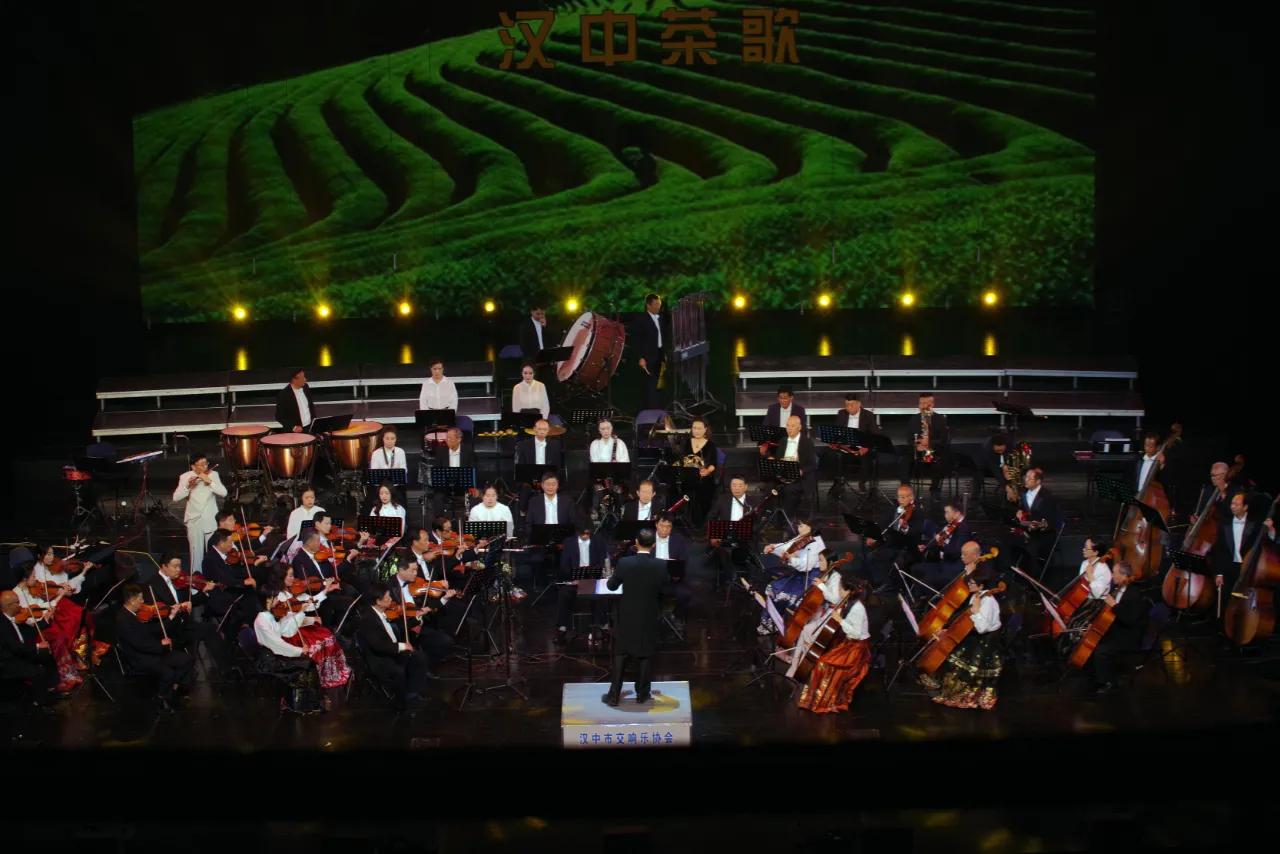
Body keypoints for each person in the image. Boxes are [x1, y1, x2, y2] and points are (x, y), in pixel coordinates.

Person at [781, 561, 871, 715]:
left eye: (840, 588)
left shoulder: (857, 608)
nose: (838, 591)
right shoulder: (847, 601)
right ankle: (818, 697)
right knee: (820, 656)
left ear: (848, 591)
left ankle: (823, 701)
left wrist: (840, 620)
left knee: (822, 663)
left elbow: (855, 634)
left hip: (856, 648)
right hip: (848, 642)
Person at [918, 563, 1003, 710]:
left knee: (957, 664)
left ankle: (966, 696)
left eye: (972, 583)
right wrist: (947, 630)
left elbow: (982, 628)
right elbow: (964, 621)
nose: (968, 585)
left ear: (981, 585)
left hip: (984, 642)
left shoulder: (988, 601)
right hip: (973, 636)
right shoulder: (975, 596)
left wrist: (976, 611)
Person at [258, 564, 351, 693]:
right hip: (290, 634)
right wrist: (307, 616)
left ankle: (332, 675)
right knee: (322, 642)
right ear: (281, 577)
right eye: (290, 576)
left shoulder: (291, 591)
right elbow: (287, 625)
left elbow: (310, 603)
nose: (294, 578)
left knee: (328, 635)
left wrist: (325, 590)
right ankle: (321, 680)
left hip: (297, 626)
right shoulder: (278, 598)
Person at [603, 528, 666, 706]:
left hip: (627, 616)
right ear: (653, 545)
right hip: (649, 615)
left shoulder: (625, 563)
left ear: (636, 542)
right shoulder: (660, 565)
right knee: (646, 654)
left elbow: (612, 586)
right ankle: (642, 695)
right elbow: (664, 588)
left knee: (621, 654)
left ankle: (614, 696)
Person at [116, 583, 196, 713]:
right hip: (140, 657)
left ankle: (172, 689)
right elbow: (138, 644)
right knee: (168, 673)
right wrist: (161, 645)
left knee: (187, 660)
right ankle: (161, 697)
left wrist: (171, 616)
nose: (143, 601)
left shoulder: (134, 614)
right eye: (140, 599)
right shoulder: (123, 619)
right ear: (132, 600)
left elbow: (152, 630)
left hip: (151, 651)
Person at [147, 552, 229, 671]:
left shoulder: (179, 581)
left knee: (211, 628)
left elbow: (191, 601)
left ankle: (225, 669)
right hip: (170, 630)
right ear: (164, 566)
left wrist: (205, 591)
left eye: (180, 566)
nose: (179, 570)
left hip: (184, 625)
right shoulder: (152, 584)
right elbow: (159, 611)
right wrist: (180, 606)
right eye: (175, 566)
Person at [359, 582, 432, 711]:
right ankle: (401, 703)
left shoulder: (384, 612)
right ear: (378, 601)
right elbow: (379, 645)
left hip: (392, 651)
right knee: (398, 670)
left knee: (419, 657)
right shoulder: (368, 619)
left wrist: (417, 617)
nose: (391, 599)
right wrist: (403, 646)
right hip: (380, 658)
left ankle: (412, 694)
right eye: (387, 597)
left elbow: (401, 626)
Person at [13, 563, 82, 693]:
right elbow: (27, 619)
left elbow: (42, 605)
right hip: (32, 631)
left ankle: (66, 672)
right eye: (33, 576)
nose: (36, 578)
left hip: (42, 623)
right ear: (24, 578)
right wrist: (44, 616)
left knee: (63, 632)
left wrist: (58, 598)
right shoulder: (16, 595)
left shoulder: (31, 589)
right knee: (58, 638)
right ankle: (58, 678)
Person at [757, 518, 825, 634]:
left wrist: (790, 559)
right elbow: (787, 547)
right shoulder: (802, 538)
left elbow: (805, 566)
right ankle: (772, 623)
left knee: (781, 594)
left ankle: (781, 625)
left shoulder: (815, 544)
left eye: (802, 526)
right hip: (799, 574)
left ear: (811, 528)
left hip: (808, 577)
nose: (799, 528)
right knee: (774, 589)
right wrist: (773, 548)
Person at [1091, 561, 1148, 694]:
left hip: (1129, 636)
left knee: (1101, 650)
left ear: (1124, 576)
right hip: (1118, 630)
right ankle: (1099, 676)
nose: (1112, 576)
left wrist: (1114, 606)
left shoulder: (1134, 593)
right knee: (1093, 641)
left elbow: (1130, 619)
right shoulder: (1117, 589)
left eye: (1114, 573)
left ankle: (1109, 682)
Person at [0, 589, 59, 705]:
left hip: (20, 653)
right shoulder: (2, 624)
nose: (21, 605)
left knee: (47, 656)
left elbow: (30, 632)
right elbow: (14, 647)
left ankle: (50, 689)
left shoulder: (14, 617)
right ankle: (39, 702)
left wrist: (45, 620)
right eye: (17, 602)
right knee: (39, 672)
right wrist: (38, 646)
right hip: (9, 661)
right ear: (8, 606)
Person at [172, 452, 227, 575]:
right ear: (193, 466)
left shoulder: (213, 474)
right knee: (196, 553)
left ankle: (214, 578)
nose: (205, 467)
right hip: (194, 520)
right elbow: (176, 497)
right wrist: (188, 487)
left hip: (210, 520)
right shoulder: (185, 477)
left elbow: (224, 493)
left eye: (206, 464)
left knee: (213, 552)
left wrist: (210, 482)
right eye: (201, 465)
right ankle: (196, 582)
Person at [864, 484, 926, 589]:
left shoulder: (918, 512)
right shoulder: (895, 509)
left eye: (904, 497)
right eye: (899, 497)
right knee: (871, 557)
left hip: (910, 548)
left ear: (911, 497)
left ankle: (890, 586)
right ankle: (879, 583)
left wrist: (906, 528)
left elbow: (917, 530)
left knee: (898, 561)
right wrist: (873, 535)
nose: (901, 500)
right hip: (893, 545)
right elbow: (883, 522)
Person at [555, 525, 609, 644]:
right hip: (574, 580)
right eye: (583, 534)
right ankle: (562, 628)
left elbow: (602, 562)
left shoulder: (599, 541)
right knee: (564, 594)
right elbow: (564, 566)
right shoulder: (569, 542)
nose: (585, 536)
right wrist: (573, 578)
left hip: (593, 580)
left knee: (602, 596)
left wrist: (592, 574)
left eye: (587, 534)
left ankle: (604, 627)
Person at [202, 529, 260, 639]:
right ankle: (248, 628)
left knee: (251, 591)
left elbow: (232, 573)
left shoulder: (219, 555)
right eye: (230, 542)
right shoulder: (210, 558)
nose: (232, 545)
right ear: (221, 543)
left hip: (227, 588)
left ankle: (250, 626)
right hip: (219, 594)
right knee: (249, 596)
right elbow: (223, 579)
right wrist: (244, 582)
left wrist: (250, 573)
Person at [524, 473, 579, 587]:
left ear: (558, 485)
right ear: (542, 485)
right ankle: (542, 586)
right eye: (547, 484)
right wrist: (535, 540)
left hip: (562, 542)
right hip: (540, 542)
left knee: (569, 556)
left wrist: (567, 542)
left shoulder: (567, 501)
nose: (550, 487)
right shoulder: (534, 501)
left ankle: (563, 585)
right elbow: (528, 524)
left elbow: (574, 524)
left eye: (553, 484)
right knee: (537, 559)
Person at [707, 476, 760, 588]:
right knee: (722, 550)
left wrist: (748, 530)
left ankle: (751, 582)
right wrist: (714, 535)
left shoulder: (753, 502)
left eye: (740, 485)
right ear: (730, 487)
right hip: (725, 535)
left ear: (745, 487)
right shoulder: (722, 499)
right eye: (734, 485)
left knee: (753, 552)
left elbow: (758, 524)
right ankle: (732, 577)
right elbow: (711, 517)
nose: (736, 488)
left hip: (745, 536)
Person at [1010, 467, 1062, 579]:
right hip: (1026, 531)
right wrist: (1019, 512)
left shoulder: (1048, 496)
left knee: (1031, 548)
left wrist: (1040, 527)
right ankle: (1014, 576)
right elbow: (1022, 509)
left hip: (1043, 535)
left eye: (1029, 478)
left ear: (1038, 481)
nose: (1026, 480)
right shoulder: (1023, 493)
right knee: (1007, 541)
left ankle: (1034, 580)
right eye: (1026, 477)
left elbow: (1051, 521)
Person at [914, 502, 976, 589]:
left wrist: (941, 544)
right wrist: (926, 546)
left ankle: (928, 596)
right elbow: (939, 539)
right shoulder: (951, 524)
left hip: (952, 566)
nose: (945, 515)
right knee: (915, 568)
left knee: (926, 579)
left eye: (947, 512)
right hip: (943, 562)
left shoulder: (964, 528)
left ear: (957, 513)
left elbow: (956, 552)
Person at [767, 414, 818, 518]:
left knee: (789, 490)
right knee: (768, 487)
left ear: (799, 427)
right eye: (787, 425)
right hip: (783, 475)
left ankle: (787, 519)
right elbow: (779, 459)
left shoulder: (807, 442)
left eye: (792, 426)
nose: (789, 428)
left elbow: (813, 464)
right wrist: (773, 460)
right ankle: (774, 518)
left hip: (800, 478)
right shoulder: (783, 441)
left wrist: (801, 471)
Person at [1214, 492, 1259, 603]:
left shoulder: (1255, 525)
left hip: (1247, 569)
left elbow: (1263, 544)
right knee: (1224, 601)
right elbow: (1219, 549)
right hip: (1228, 568)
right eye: (1232, 503)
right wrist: (1219, 573)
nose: (1233, 506)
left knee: (1241, 603)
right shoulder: (1225, 523)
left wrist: (1270, 530)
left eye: (1237, 504)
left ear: (1245, 507)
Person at [903, 392, 949, 497]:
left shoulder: (940, 419)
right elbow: (909, 439)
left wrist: (929, 443)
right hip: (918, 451)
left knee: (938, 463)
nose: (923, 406)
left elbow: (943, 440)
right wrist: (917, 446)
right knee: (903, 461)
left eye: (926, 403)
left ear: (932, 404)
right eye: (921, 403)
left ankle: (934, 490)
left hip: (933, 451)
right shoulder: (914, 419)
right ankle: (905, 490)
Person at [631, 293, 667, 411]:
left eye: (659, 304)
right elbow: (636, 340)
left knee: (660, 385)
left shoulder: (661, 319)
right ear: (648, 305)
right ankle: (650, 412)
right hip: (648, 357)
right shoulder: (641, 319)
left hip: (660, 355)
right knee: (650, 387)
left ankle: (659, 409)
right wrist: (640, 357)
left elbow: (663, 337)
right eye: (656, 304)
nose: (658, 307)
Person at [680, 417, 718, 524]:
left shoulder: (711, 445)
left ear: (705, 429)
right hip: (687, 478)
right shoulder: (686, 442)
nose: (696, 431)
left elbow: (713, 464)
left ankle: (702, 525)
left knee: (703, 502)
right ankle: (687, 524)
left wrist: (708, 471)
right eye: (694, 428)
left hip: (704, 479)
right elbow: (681, 460)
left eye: (699, 428)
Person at [833, 394, 875, 492]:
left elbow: (875, 434)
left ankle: (862, 482)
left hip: (861, 447)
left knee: (867, 459)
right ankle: (839, 482)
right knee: (831, 455)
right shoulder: (841, 413)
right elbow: (836, 431)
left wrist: (866, 447)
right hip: (845, 447)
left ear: (859, 404)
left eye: (851, 405)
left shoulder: (868, 415)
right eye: (846, 405)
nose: (848, 408)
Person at [275, 368, 315, 433]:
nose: (305, 379)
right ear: (294, 380)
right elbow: (279, 416)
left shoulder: (306, 387)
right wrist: (293, 427)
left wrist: (314, 422)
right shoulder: (283, 394)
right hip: (296, 432)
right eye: (302, 378)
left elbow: (311, 406)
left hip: (309, 427)